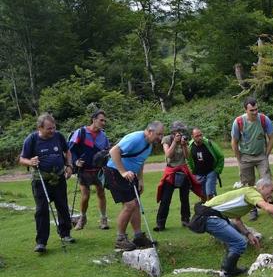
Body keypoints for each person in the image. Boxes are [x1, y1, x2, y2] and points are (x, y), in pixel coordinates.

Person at [196, 178, 273, 277]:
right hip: (208, 217)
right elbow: (268, 208)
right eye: (271, 191)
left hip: (208, 216)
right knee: (239, 242)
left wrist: (248, 234)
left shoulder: (248, 194)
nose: (272, 195)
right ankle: (227, 271)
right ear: (262, 187)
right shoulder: (252, 192)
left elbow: (237, 219)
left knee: (238, 239)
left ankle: (229, 268)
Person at [103, 121, 164, 250]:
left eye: (162, 134)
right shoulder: (136, 138)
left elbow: (139, 161)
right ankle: (120, 239)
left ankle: (138, 237)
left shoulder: (149, 145)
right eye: (158, 134)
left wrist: (141, 179)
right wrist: (123, 172)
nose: (160, 137)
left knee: (136, 203)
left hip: (131, 175)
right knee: (129, 205)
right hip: (115, 172)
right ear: (150, 131)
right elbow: (114, 151)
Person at [19, 113, 75, 253]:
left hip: (59, 178)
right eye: (49, 129)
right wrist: (30, 161)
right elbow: (22, 159)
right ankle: (41, 242)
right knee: (42, 209)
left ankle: (65, 234)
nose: (52, 131)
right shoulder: (31, 140)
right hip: (41, 180)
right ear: (40, 127)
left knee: (62, 206)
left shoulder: (58, 136)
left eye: (54, 127)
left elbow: (67, 151)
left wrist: (69, 166)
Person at [230, 97, 273, 221]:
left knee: (267, 182)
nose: (255, 112)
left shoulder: (263, 119)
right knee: (248, 185)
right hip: (245, 156)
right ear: (245, 110)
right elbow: (234, 142)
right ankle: (252, 210)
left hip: (261, 155)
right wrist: (239, 159)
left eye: (256, 109)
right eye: (252, 110)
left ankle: (271, 207)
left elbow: (271, 138)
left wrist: (266, 155)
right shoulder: (238, 122)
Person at [154, 121, 204, 231]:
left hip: (183, 170)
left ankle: (185, 220)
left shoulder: (184, 139)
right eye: (178, 131)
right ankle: (160, 223)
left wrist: (184, 145)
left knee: (184, 198)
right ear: (173, 132)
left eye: (182, 131)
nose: (180, 133)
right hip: (171, 172)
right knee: (166, 198)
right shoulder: (167, 139)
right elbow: (168, 155)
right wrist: (175, 143)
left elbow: (187, 156)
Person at [68, 107, 110, 230]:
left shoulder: (104, 136)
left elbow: (106, 151)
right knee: (85, 196)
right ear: (94, 119)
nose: (103, 123)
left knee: (101, 193)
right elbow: (70, 149)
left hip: (98, 170)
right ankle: (82, 218)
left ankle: (103, 219)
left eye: (104, 121)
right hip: (84, 170)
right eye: (101, 120)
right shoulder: (80, 132)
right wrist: (75, 162)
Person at [187, 127, 224, 201]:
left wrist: (217, 170)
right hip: (198, 174)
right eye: (197, 136)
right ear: (192, 137)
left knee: (209, 192)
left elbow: (221, 156)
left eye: (201, 135)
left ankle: (213, 210)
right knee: (202, 195)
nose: (200, 137)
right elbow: (188, 160)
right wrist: (191, 172)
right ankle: (207, 210)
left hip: (211, 172)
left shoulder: (209, 143)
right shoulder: (190, 146)